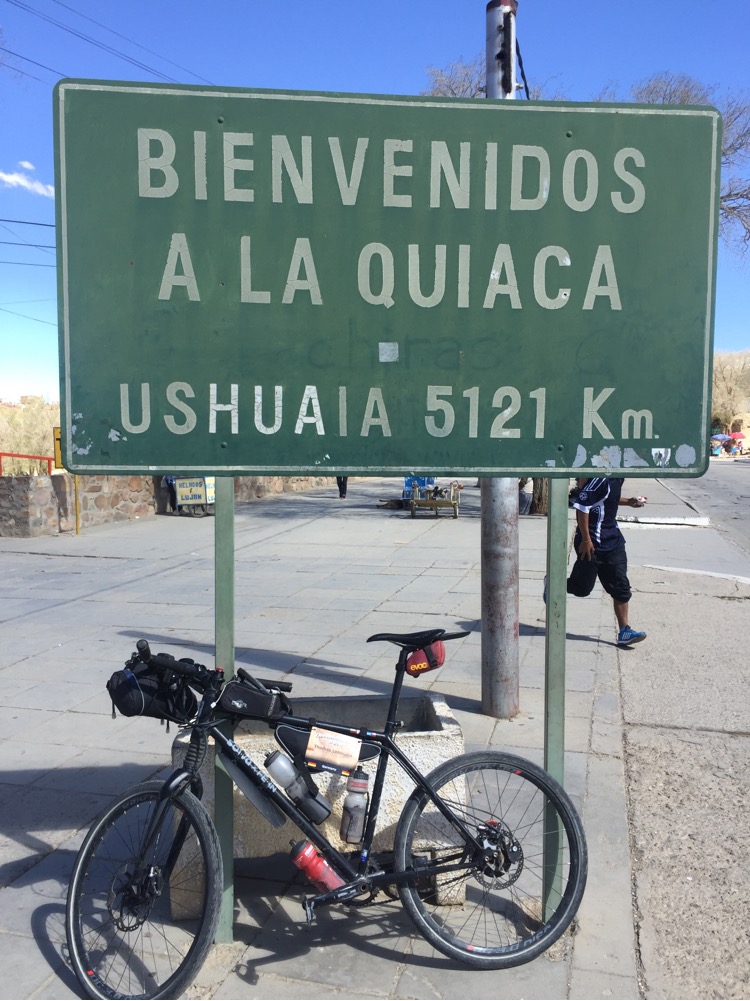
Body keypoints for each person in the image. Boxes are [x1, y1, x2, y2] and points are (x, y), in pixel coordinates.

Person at [566, 476, 647, 647]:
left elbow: (609, 497)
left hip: (614, 542)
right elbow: (582, 507)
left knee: (621, 587)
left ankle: (624, 631)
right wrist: (586, 540)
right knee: (582, 588)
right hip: (591, 544)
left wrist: (629, 502)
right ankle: (552, 583)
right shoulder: (600, 478)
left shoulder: (618, 477)